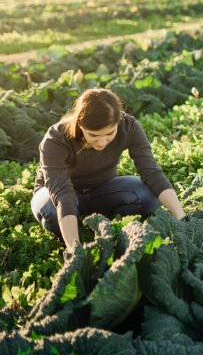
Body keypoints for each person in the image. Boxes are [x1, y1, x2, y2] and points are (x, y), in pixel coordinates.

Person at [30, 88, 186, 254]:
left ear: (118, 121)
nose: (102, 142)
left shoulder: (129, 126)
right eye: (93, 135)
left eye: (109, 134)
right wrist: (75, 251)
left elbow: (151, 172)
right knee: (51, 212)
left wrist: (182, 218)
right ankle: (73, 229)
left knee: (148, 197)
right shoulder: (56, 139)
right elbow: (62, 194)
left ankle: (104, 223)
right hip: (56, 193)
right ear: (80, 124)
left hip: (102, 188)